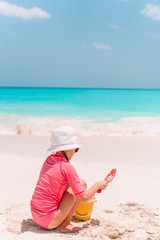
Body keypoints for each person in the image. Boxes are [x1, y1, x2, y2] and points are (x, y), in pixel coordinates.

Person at [30, 126, 108, 233]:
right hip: (49, 220)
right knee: (73, 194)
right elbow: (84, 197)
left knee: (81, 183)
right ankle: (64, 225)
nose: (75, 152)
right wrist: (97, 185)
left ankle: (62, 219)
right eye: (76, 149)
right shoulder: (67, 167)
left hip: (35, 214)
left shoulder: (48, 161)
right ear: (69, 149)